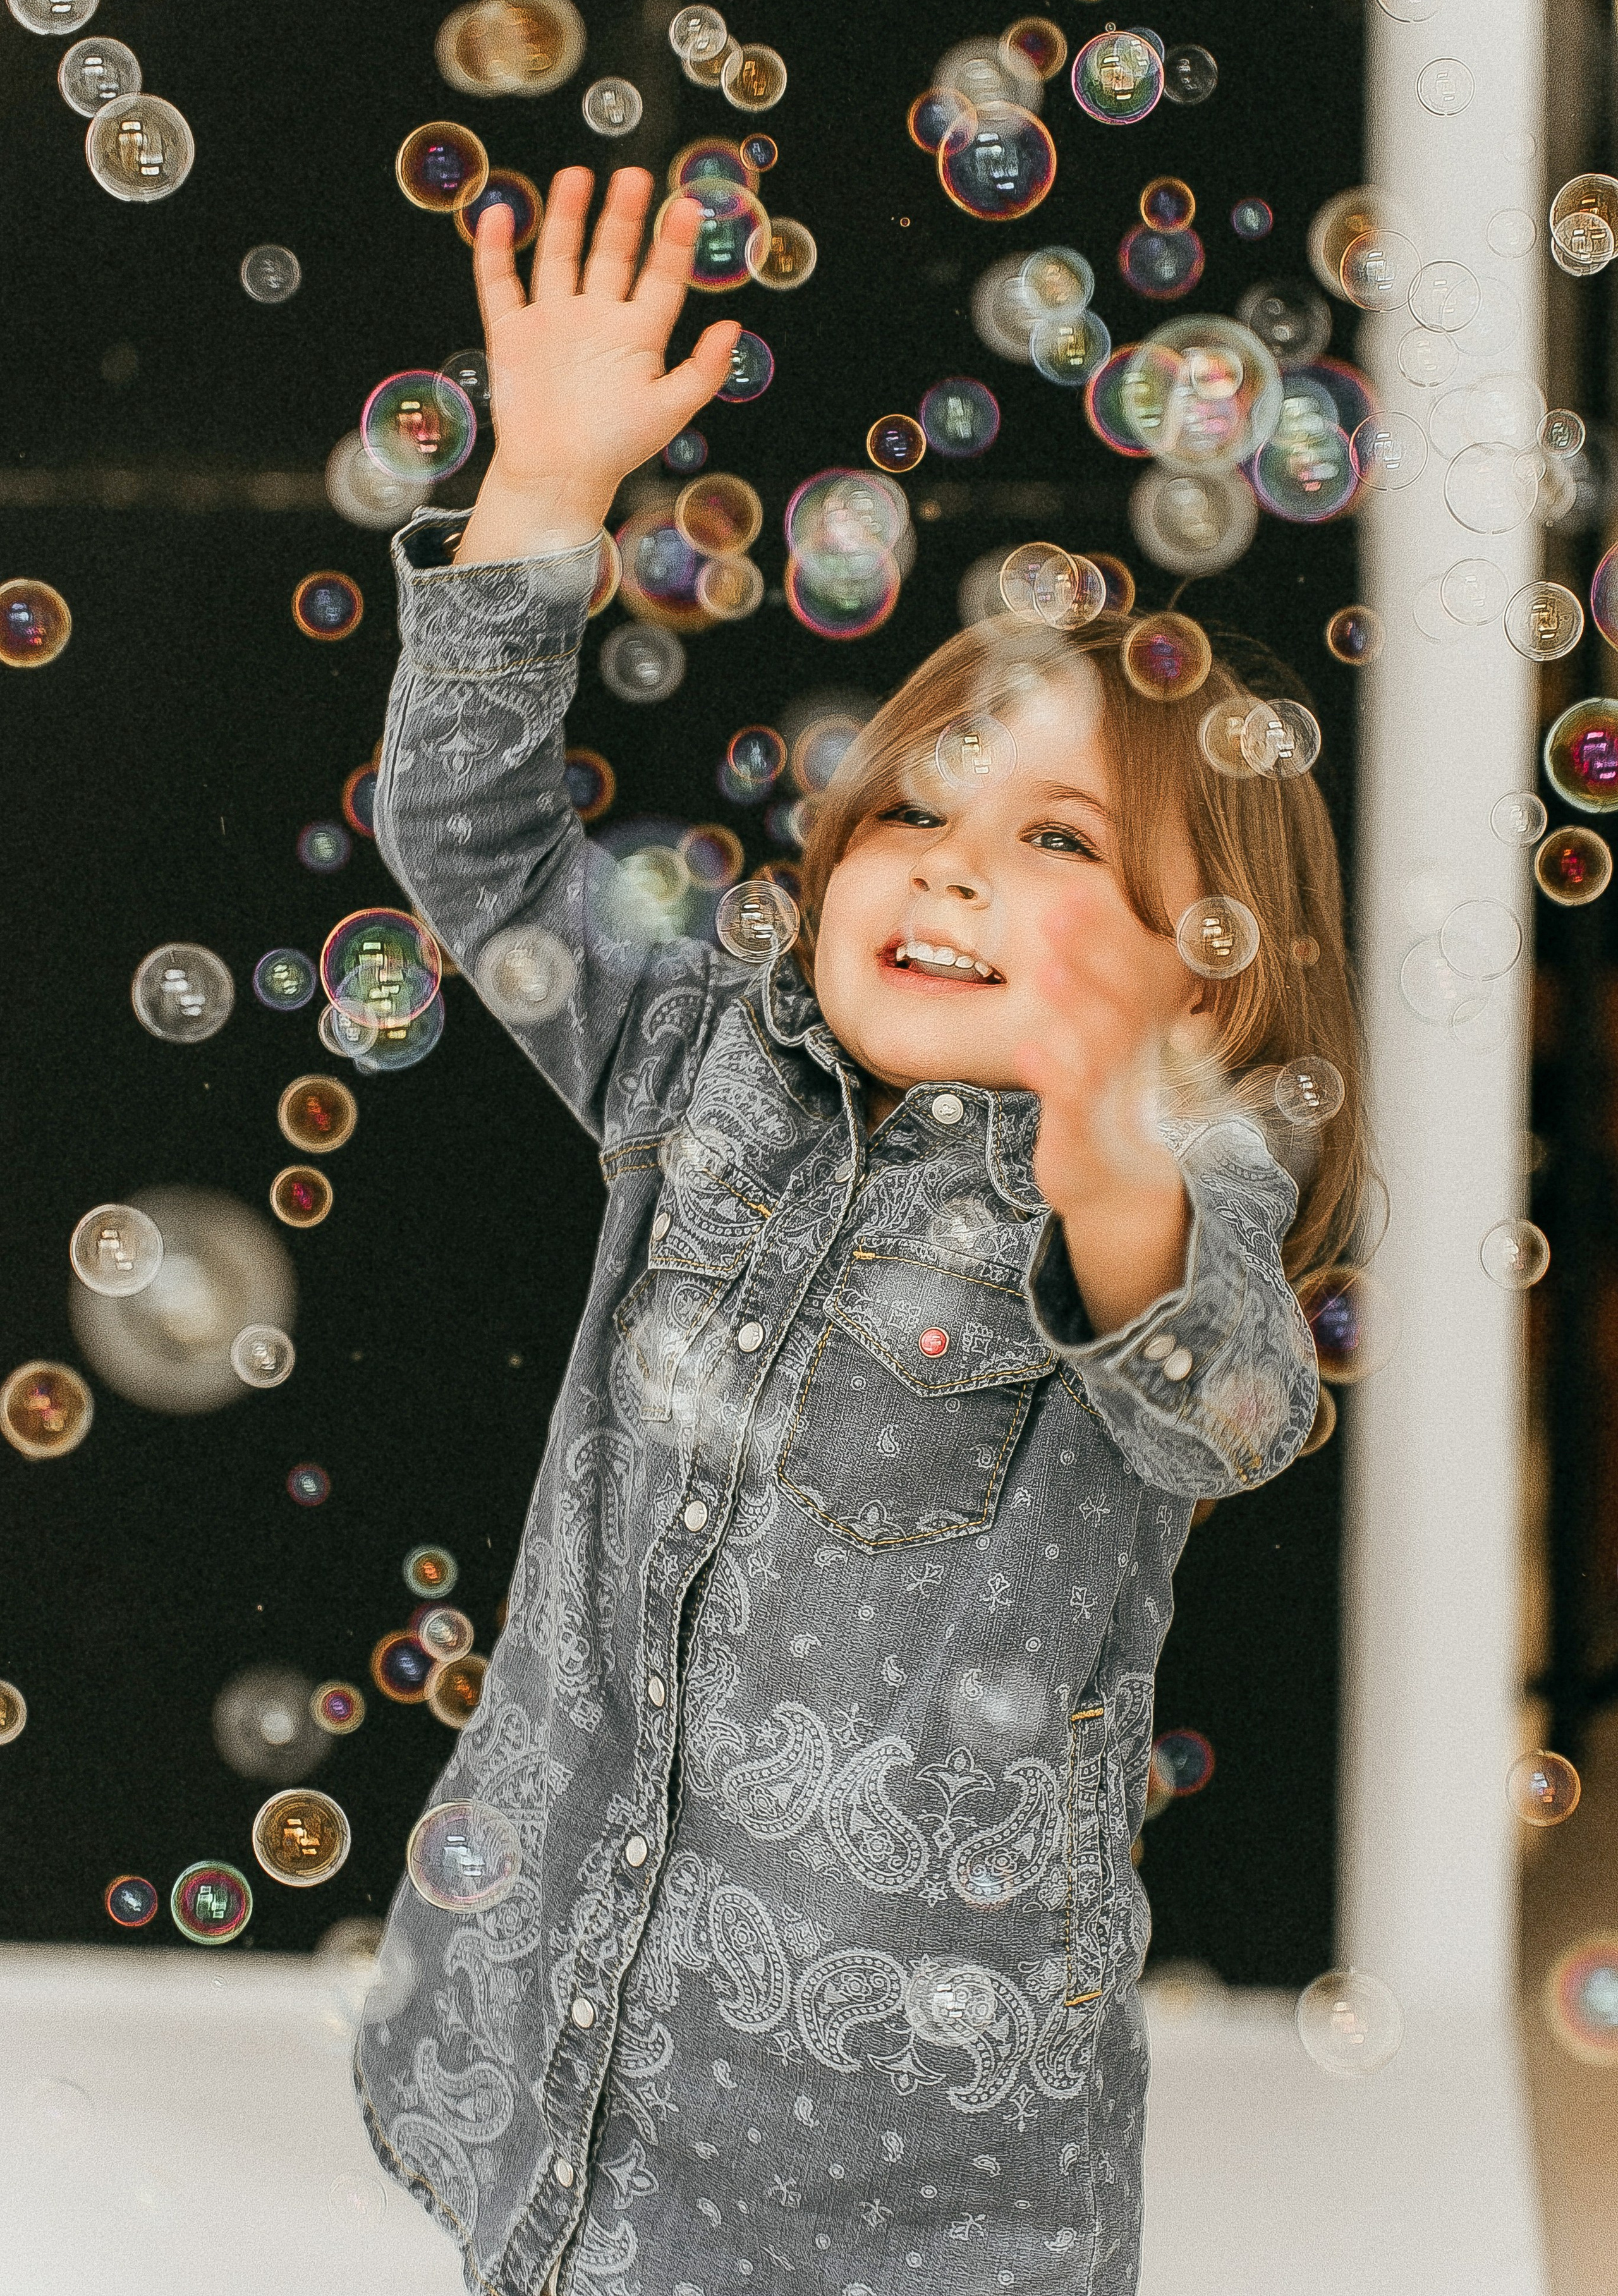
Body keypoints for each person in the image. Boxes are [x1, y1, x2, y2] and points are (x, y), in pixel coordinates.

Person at [353, 166, 1367, 2296]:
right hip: (561, 2011)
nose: (950, 865)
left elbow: (1233, 1409)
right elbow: (469, 838)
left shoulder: (1175, 1177)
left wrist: (1107, 1138)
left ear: (1208, 975)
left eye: (1056, 836)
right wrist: (543, 483)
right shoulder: (692, 1050)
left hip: (894, 2165)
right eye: (913, 805)